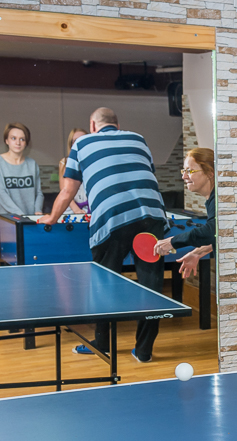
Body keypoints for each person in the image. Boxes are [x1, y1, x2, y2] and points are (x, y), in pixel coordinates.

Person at [39, 107, 167, 363]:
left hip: (112, 217)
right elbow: (144, 174)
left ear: (92, 125)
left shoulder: (81, 143)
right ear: (117, 125)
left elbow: (68, 191)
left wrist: (51, 218)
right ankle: (143, 351)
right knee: (151, 287)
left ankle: (102, 344)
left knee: (104, 284)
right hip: (152, 216)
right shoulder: (138, 138)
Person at [153, 147, 215, 278]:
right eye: (184, 171)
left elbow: (212, 231)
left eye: (190, 171)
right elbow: (220, 234)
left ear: (210, 173)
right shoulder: (213, 198)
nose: (184, 176)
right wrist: (197, 253)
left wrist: (172, 242)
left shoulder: (219, 199)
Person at [0, 122, 43, 217]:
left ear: (26, 143)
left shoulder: (32, 164)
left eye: (22, 139)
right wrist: (20, 215)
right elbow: (1, 194)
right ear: (7, 141)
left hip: (30, 217)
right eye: (13, 138)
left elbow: (39, 193)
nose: (18, 143)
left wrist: (37, 210)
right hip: (8, 218)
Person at [58, 128, 89, 216]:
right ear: (71, 144)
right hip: (70, 209)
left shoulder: (93, 163)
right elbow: (64, 190)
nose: (78, 143)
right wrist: (76, 210)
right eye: (75, 140)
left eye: (82, 139)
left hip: (89, 208)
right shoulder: (64, 162)